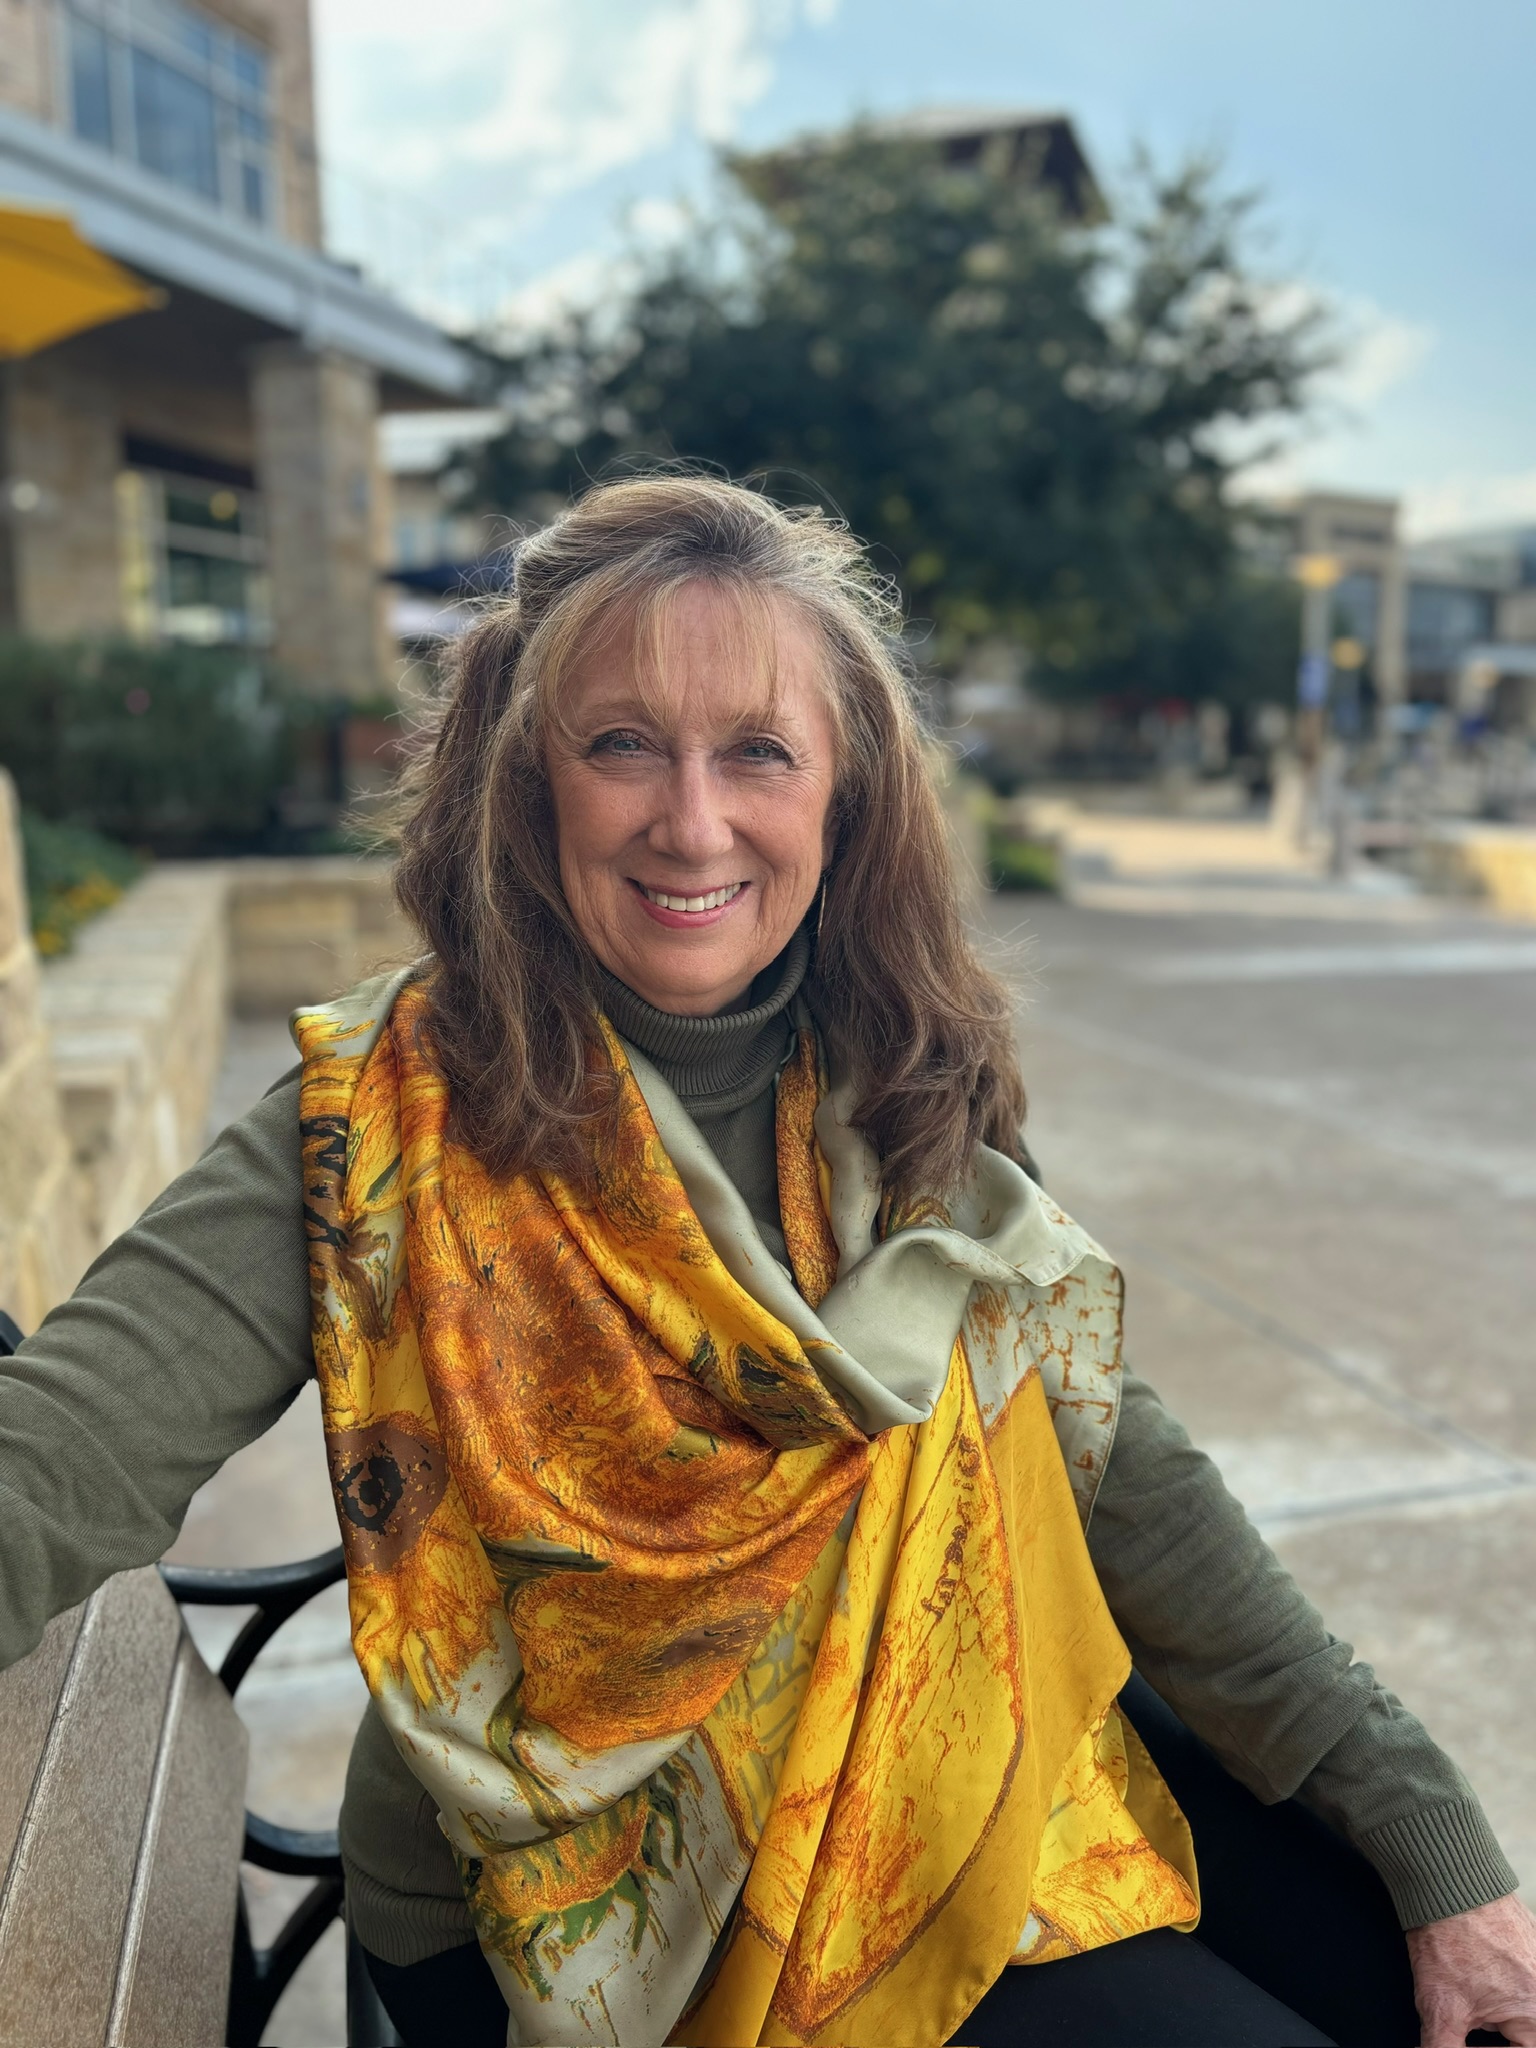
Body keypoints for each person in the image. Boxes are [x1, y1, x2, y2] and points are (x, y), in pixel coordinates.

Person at [1, 475, 1533, 2048]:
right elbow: (57, 1459)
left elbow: (1122, 1478)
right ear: (523, 781)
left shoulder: (901, 1072)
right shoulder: (378, 1134)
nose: (692, 821)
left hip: (943, 1733)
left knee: (1441, 2000)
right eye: (621, 744)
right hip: (583, 1912)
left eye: (759, 752)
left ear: (843, 797)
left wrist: (1432, 1838)